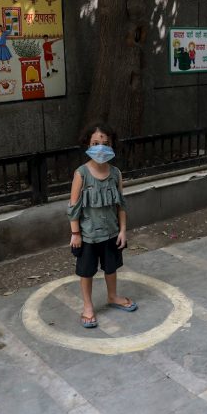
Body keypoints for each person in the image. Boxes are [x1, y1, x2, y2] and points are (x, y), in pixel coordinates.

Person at [68, 124, 136, 329]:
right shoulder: (81, 174)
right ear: (87, 145)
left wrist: (123, 230)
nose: (100, 148)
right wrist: (75, 233)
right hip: (87, 235)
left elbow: (120, 205)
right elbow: (73, 206)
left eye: (105, 144)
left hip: (111, 233)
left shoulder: (116, 173)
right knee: (86, 271)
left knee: (111, 267)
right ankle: (88, 306)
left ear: (112, 145)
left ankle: (113, 296)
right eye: (95, 143)